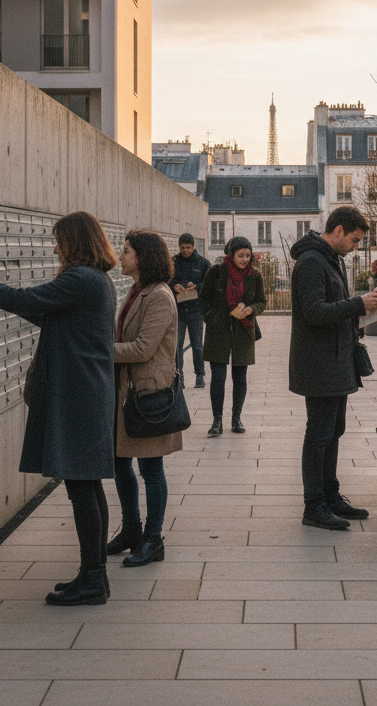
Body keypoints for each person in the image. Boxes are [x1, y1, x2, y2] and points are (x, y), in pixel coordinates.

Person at [0, 211, 117, 606]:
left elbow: (26, 299)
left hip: (79, 395)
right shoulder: (92, 280)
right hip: (87, 392)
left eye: (59, 240)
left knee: (82, 486)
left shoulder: (80, 278)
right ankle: (92, 574)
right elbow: (44, 311)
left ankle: (94, 580)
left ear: (75, 242)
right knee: (87, 485)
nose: (55, 246)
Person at [289, 206, 377, 530]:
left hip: (336, 360)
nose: (356, 247)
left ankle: (330, 497)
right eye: (355, 240)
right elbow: (314, 311)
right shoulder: (311, 262)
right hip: (319, 364)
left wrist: (362, 310)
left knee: (333, 431)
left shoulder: (333, 260)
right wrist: (358, 304)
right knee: (319, 435)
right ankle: (313, 506)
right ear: (339, 231)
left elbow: (334, 308)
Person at [111, 229, 183, 567]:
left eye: (126, 251)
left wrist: (98, 351)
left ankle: (153, 539)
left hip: (149, 394)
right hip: (128, 391)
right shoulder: (137, 291)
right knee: (120, 461)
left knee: (151, 468)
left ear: (143, 257)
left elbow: (142, 348)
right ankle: (131, 530)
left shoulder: (159, 296)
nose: (120, 255)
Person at [198, 236, 266, 436]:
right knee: (218, 377)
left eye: (247, 255)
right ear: (231, 255)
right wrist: (212, 317)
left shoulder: (255, 275)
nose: (245, 259)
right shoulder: (216, 272)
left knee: (240, 377)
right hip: (218, 330)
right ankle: (217, 420)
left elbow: (261, 301)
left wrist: (251, 309)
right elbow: (203, 300)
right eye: (240, 255)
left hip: (243, 330)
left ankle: (236, 418)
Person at [172, 233, 211, 388]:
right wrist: (174, 287)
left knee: (197, 345)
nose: (185, 250)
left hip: (196, 310)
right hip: (179, 310)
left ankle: (199, 376)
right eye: (182, 248)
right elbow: (167, 281)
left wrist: (197, 287)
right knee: (177, 345)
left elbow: (209, 285)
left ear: (194, 246)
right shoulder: (173, 262)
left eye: (188, 247)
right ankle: (178, 376)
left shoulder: (203, 263)